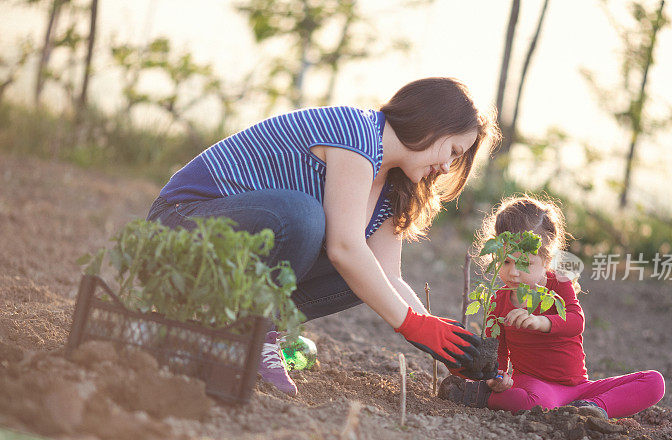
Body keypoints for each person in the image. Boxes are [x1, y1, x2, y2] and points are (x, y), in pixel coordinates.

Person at [146, 77, 501, 396]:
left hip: (227, 262)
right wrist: (412, 325)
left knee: (365, 279)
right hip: (180, 228)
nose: (445, 168)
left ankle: (230, 329)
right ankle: (252, 335)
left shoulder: (394, 187)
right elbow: (344, 247)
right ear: (432, 123)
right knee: (304, 217)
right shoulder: (358, 134)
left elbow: (388, 277)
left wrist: (445, 343)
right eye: (453, 151)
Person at [438, 195, 665, 419]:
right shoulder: (498, 300)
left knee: (654, 382)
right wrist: (497, 378)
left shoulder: (559, 284)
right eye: (506, 262)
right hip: (534, 385)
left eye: (525, 263)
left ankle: (592, 408)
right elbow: (497, 351)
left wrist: (542, 322)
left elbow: (576, 321)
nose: (514, 272)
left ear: (547, 260)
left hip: (579, 388)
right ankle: (479, 395)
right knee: (532, 402)